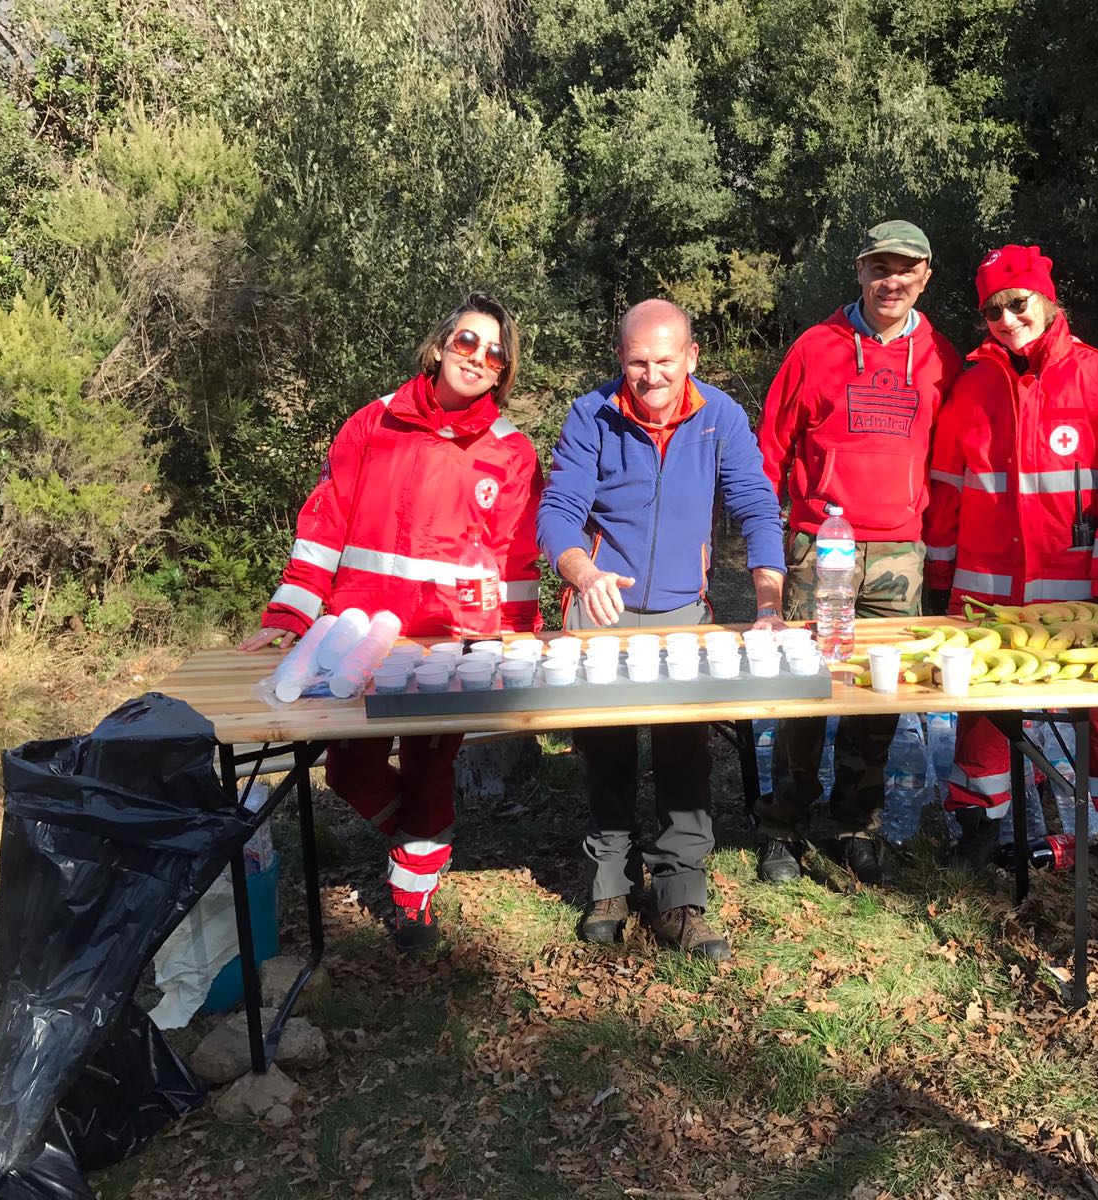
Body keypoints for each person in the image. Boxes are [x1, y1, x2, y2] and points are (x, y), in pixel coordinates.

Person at [238, 293, 544, 950]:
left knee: (434, 768)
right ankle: (413, 839)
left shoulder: (512, 452)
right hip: (357, 640)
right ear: (438, 347)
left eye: (495, 354)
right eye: (467, 342)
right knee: (348, 772)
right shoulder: (370, 424)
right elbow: (324, 524)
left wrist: (518, 630)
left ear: (502, 374)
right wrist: (290, 611)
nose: (479, 358)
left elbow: (517, 554)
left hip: (451, 643)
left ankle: (415, 895)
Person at [538, 298, 786, 960]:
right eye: (638, 362)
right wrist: (583, 572)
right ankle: (610, 885)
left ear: (692, 358)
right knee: (607, 751)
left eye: (665, 363)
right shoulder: (591, 414)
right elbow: (558, 511)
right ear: (620, 357)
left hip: (683, 616)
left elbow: (757, 507)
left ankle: (682, 898)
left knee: (684, 755)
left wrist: (768, 604)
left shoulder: (720, 418)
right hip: (600, 612)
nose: (651, 377)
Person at [923, 245, 1098, 910]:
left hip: (1077, 604)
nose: (1005, 317)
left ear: (1048, 300)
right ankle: (978, 827)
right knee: (980, 718)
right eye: (992, 309)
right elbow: (946, 497)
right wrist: (940, 585)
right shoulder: (969, 388)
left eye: (1017, 302)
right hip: (984, 599)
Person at [753, 220, 963, 885]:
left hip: (901, 549)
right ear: (860, 271)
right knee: (805, 687)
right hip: (820, 544)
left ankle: (856, 824)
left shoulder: (941, 359)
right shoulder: (817, 348)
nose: (890, 281)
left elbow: (953, 461)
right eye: (879, 268)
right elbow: (770, 451)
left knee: (879, 694)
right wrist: (768, 535)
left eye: (905, 269)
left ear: (926, 275)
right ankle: (784, 824)